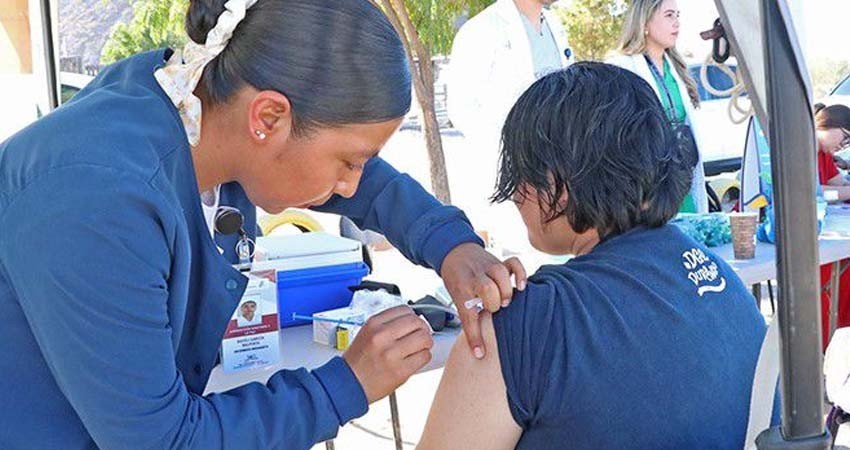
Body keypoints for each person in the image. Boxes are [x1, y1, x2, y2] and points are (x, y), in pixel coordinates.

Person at [0, 1, 527, 449]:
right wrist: (345, 385)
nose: (352, 184)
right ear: (268, 118)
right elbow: (162, 440)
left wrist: (450, 244)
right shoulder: (98, 196)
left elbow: (363, 180)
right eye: (349, 161)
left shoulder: (197, 99)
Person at [418, 62, 774, 449]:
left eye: (522, 174)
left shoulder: (528, 324)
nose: (516, 195)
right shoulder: (719, 277)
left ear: (558, 181)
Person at [446, 0, 571, 254]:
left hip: (561, 176)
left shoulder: (555, 26)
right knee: (524, 264)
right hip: (516, 177)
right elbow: (461, 108)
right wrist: (519, 152)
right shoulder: (480, 30)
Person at [608, 0, 708, 214]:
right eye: (669, 15)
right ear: (645, 21)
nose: (677, 23)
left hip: (683, 178)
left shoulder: (677, 70)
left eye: (678, 15)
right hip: (650, 187)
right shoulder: (623, 68)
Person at [813, 103, 850, 348]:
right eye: (844, 136)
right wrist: (844, 191)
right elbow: (816, 192)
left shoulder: (824, 154)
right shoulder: (799, 148)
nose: (844, 145)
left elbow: (838, 184)